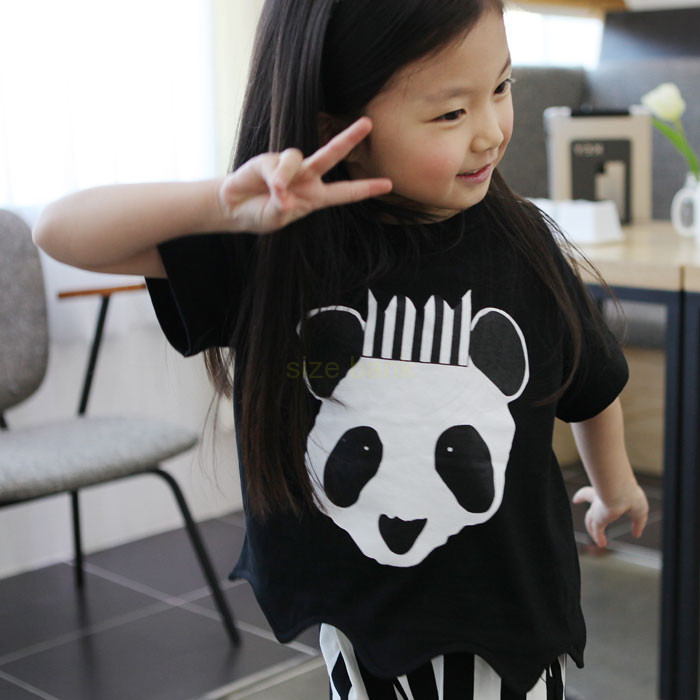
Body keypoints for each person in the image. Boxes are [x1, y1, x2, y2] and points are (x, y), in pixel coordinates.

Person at [33, 0, 650, 697]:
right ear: (339, 129)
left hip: (509, 630)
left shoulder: (520, 242)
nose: (491, 132)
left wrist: (615, 486)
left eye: (502, 88)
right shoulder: (282, 246)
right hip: (362, 635)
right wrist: (221, 205)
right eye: (452, 112)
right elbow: (59, 231)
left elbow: (589, 381)